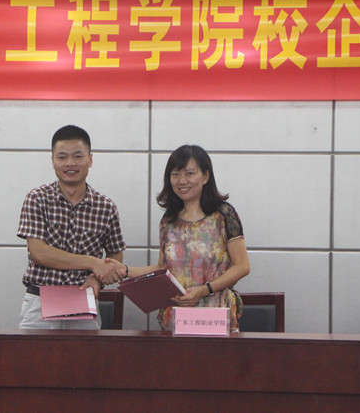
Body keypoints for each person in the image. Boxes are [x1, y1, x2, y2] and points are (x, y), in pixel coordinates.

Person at [122, 145, 250, 332]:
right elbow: (162, 269)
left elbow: (242, 266)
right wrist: (124, 270)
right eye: (175, 174)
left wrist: (204, 290)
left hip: (216, 320)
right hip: (176, 320)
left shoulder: (223, 214)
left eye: (190, 173)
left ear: (205, 176)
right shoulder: (168, 220)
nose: (182, 181)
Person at [16, 125, 127, 329]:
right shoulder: (37, 199)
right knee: (33, 352)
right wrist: (92, 262)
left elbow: (115, 256)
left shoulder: (106, 206)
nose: (70, 163)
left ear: (90, 159)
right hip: (41, 299)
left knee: (85, 352)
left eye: (77, 156)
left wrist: (98, 280)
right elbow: (39, 253)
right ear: (52, 161)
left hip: (84, 299)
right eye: (62, 157)